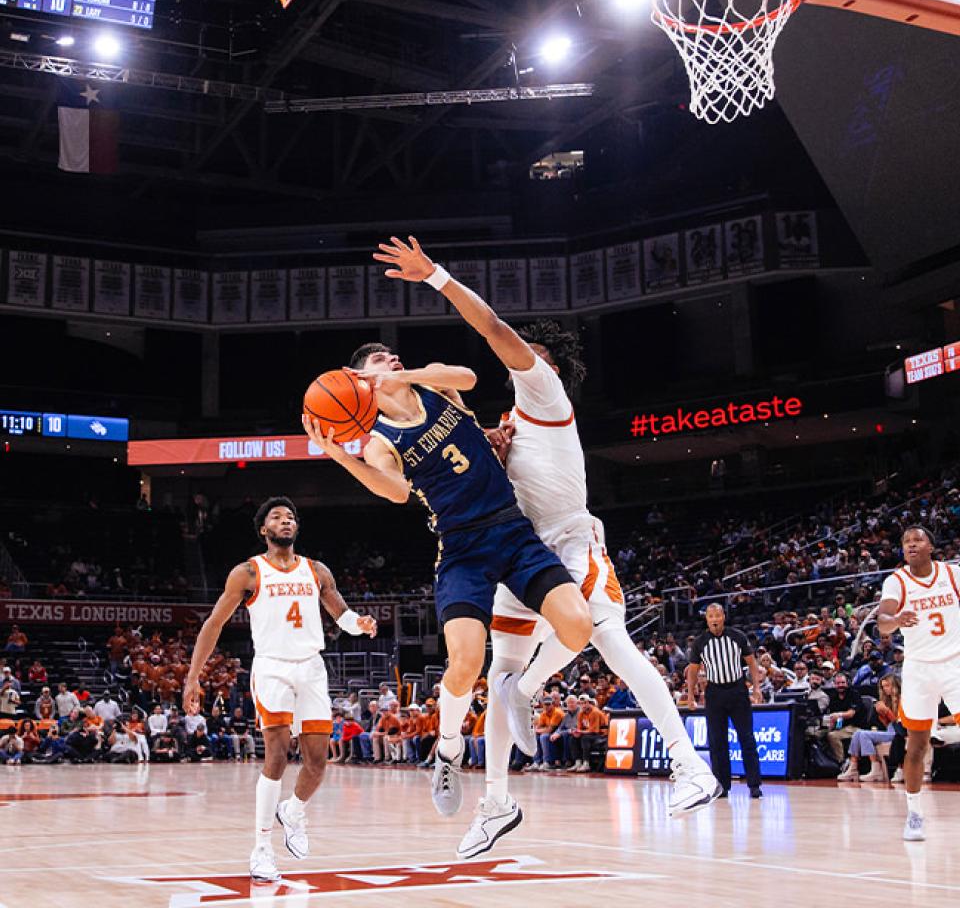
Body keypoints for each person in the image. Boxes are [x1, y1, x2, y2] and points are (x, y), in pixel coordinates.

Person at [367, 239, 718, 857]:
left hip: (572, 544)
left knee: (609, 641)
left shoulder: (548, 400)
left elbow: (496, 332)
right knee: (496, 671)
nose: (522, 361)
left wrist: (438, 278)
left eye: (533, 357)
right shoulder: (502, 427)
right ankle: (496, 803)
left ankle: (690, 767)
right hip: (512, 547)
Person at [303, 321, 592, 822]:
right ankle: (449, 750)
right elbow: (394, 492)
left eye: (393, 356)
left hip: (512, 529)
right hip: (461, 549)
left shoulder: (433, 385)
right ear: (356, 378)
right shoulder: (378, 441)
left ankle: (519, 691)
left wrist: (404, 376)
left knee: (578, 627)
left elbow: (469, 377)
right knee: (464, 663)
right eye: (380, 361)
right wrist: (335, 452)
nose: (392, 360)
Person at [183, 496, 376, 883]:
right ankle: (261, 848)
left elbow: (341, 612)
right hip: (272, 666)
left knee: (318, 762)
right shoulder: (248, 573)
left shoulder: (315, 570)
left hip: (312, 669)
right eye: (276, 517)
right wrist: (193, 676)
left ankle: (294, 810)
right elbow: (213, 624)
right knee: (276, 752)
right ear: (263, 530)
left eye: (290, 517)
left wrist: (362, 624)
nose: (285, 521)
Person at [876, 526, 960, 841]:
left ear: (931, 546)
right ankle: (914, 814)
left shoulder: (951, 575)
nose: (912, 545)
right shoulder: (896, 582)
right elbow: (883, 623)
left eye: (918, 540)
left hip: (955, 662)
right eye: (906, 542)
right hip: (918, 669)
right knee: (917, 744)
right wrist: (897, 620)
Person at [686, 604, 763, 799]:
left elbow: (752, 663)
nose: (714, 619)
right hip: (714, 693)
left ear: (723, 617)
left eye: (717, 615)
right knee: (717, 742)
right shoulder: (700, 642)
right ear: (707, 619)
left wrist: (757, 688)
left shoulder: (737, 636)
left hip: (737, 690)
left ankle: (754, 785)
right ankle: (722, 785)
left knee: (747, 739)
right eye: (710, 616)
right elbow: (693, 670)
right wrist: (690, 695)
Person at [839, 674, 900, 783]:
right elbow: (888, 724)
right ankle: (853, 768)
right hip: (889, 731)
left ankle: (876, 770)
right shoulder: (887, 700)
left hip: (899, 733)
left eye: (887, 686)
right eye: (883, 686)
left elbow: (899, 723)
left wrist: (887, 712)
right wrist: (881, 715)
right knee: (858, 733)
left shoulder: (902, 700)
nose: (885, 689)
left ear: (895, 686)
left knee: (863, 734)